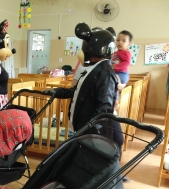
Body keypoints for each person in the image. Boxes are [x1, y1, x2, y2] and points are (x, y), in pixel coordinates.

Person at [44, 23, 123, 151]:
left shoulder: (105, 73)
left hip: (92, 133)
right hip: (85, 130)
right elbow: (77, 91)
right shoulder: (93, 69)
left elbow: (103, 110)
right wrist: (56, 91)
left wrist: (90, 132)